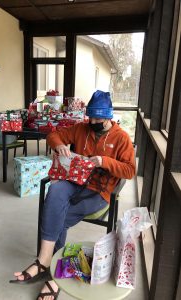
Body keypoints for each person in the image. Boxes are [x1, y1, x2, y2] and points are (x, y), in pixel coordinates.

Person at [10, 90, 135, 300]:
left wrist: (105, 162)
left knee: (57, 216)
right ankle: (45, 260)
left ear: (109, 116)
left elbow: (130, 170)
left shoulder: (121, 138)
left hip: (98, 191)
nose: (93, 121)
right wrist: (59, 145)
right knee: (56, 190)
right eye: (91, 116)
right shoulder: (81, 128)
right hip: (74, 180)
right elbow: (53, 135)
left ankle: (50, 275)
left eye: (98, 118)